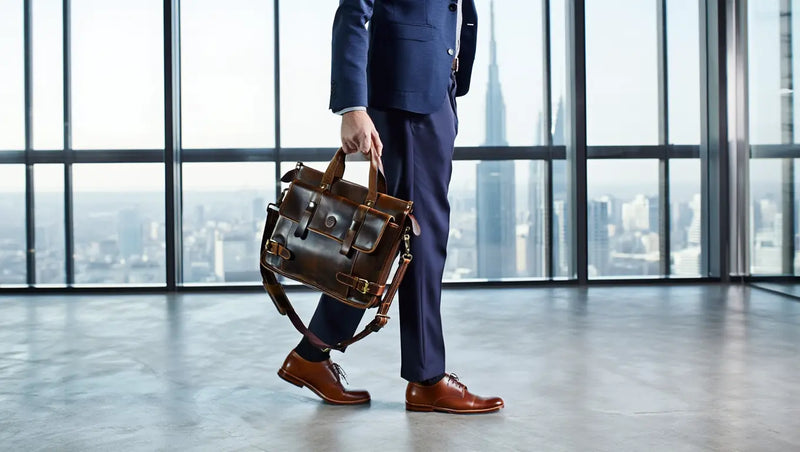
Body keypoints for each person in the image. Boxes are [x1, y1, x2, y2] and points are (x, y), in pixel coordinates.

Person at [277, 0, 504, 414]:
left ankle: (313, 354)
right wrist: (352, 107)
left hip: (434, 89)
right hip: (405, 97)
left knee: (391, 235)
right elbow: (354, 11)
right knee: (421, 236)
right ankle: (427, 379)